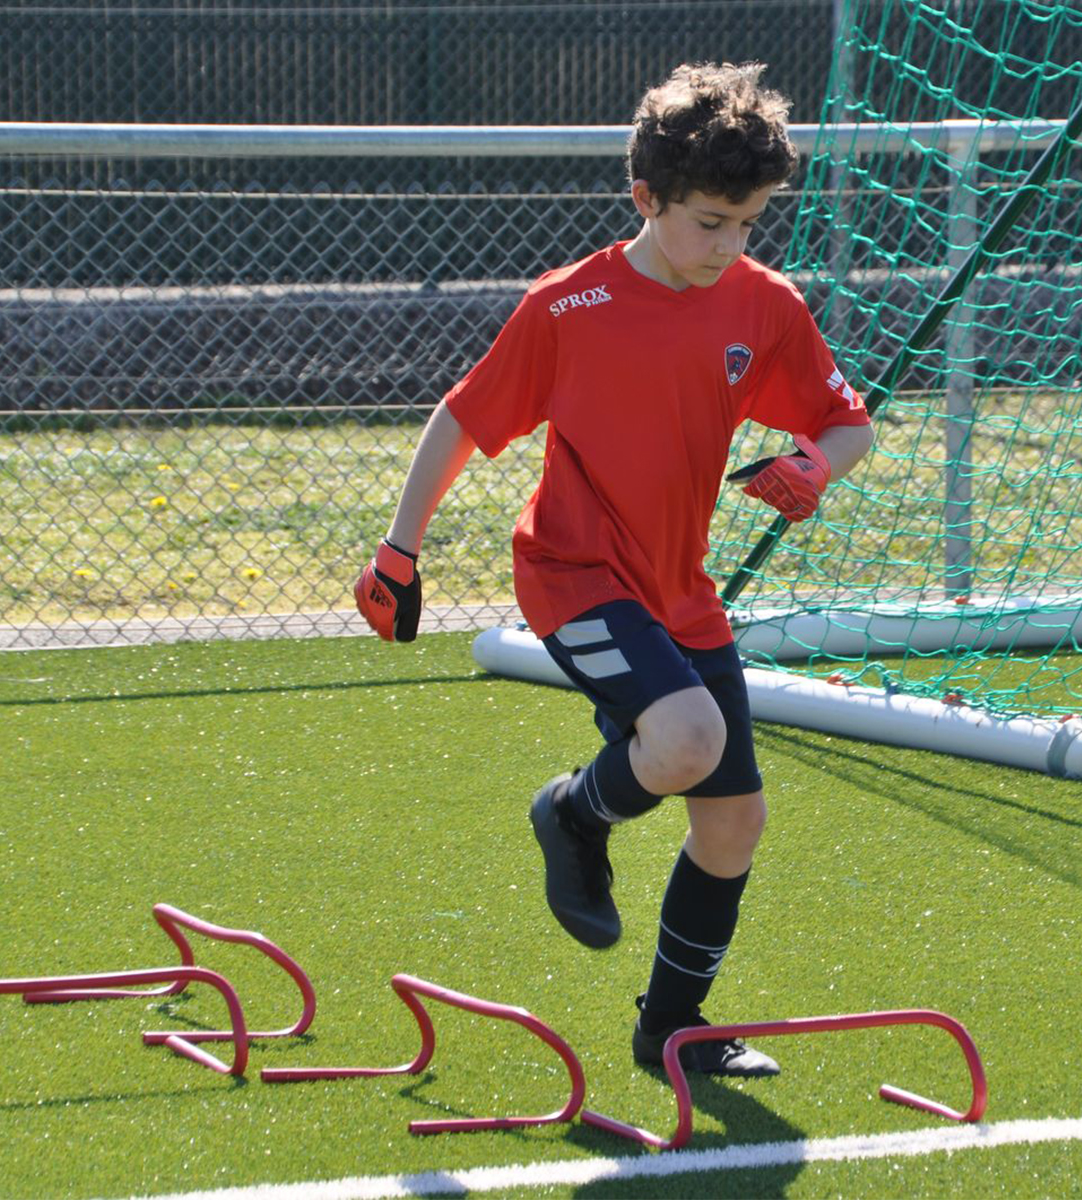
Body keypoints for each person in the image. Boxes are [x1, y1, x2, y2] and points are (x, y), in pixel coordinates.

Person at [355, 61, 873, 1076]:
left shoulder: (759, 304)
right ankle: (571, 814)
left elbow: (845, 423)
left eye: (748, 225)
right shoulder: (569, 305)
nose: (729, 247)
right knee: (685, 737)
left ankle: (669, 1033)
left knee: (734, 824)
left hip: (679, 591)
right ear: (647, 199)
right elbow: (461, 419)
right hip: (574, 573)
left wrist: (813, 466)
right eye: (710, 223)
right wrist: (397, 549)